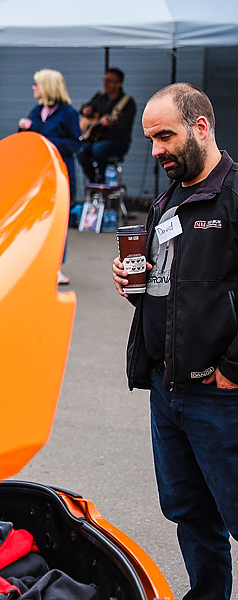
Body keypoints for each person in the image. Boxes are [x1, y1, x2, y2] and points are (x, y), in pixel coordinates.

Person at [111, 83, 238, 600]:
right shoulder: (167, 201)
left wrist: (232, 369)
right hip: (168, 389)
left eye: (165, 136)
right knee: (190, 512)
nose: (156, 150)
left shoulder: (233, 196)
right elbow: (168, 286)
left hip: (220, 394)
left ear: (200, 127)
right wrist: (133, 285)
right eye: (150, 140)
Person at [18, 69, 81, 285]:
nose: (33, 88)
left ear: (47, 87)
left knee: (58, 220)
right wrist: (23, 129)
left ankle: (56, 267)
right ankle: (35, 263)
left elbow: (74, 144)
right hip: (37, 174)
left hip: (59, 174)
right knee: (35, 219)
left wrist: (44, 138)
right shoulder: (36, 111)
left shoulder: (69, 113)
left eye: (37, 84)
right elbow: (27, 142)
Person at [77, 68, 136, 183]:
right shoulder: (100, 98)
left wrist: (110, 125)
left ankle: (102, 179)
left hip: (117, 142)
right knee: (81, 151)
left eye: (109, 81)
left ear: (119, 84)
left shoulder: (127, 103)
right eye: (105, 80)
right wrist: (86, 110)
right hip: (96, 139)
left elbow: (125, 127)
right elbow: (85, 108)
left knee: (98, 149)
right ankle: (93, 181)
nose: (105, 84)